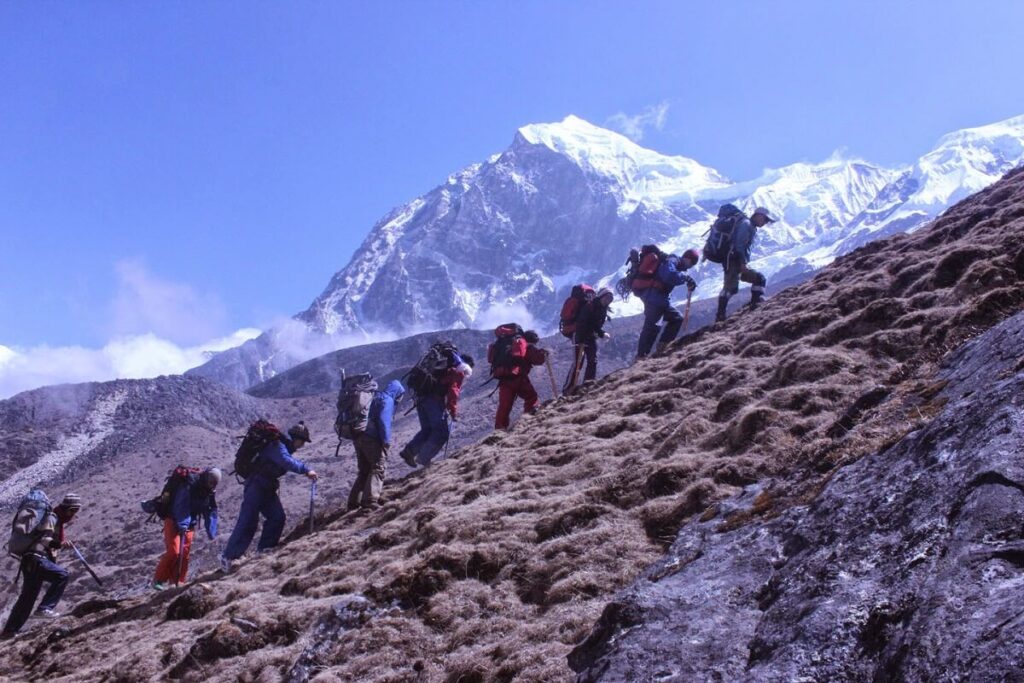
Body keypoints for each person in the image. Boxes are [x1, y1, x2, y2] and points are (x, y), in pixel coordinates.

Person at [220, 422, 318, 573]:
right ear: (296, 438)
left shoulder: (283, 447)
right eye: (303, 441)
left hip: (267, 487)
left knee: (277, 517)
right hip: (256, 485)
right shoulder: (278, 446)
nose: (303, 445)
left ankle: (264, 551)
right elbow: (286, 461)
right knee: (248, 520)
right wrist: (306, 470)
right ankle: (228, 557)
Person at [2, 493, 81, 638]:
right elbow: (45, 540)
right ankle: (45, 608)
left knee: (27, 598)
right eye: (73, 510)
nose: (73, 514)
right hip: (36, 558)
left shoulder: (54, 519)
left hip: (29, 561)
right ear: (68, 508)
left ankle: (9, 631)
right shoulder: (52, 517)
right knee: (62, 575)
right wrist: (61, 544)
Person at [400, 354, 474, 468]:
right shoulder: (458, 371)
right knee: (442, 432)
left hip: (421, 399)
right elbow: (453, 392)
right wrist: (453, 412)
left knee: (428, 429)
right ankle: (424, 458)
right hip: (433, 401)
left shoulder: (443, 366)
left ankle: (409, 451)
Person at [152, 468, 220, 589]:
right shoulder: (190, 484)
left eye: (214, 482)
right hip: (173, 519)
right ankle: (158, 580)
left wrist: (211, 531)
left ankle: (177, 583)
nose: (211, 484)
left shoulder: (208, 492)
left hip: (189, 524)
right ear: (206, 477)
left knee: (184, 555)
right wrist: (183, 523)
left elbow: (210, 511)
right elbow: (181, 505)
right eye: (211, 480)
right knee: (175, 552)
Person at [347, 380, 405, 512]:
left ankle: (353, 503)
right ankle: (370, 501)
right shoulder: (387, 399)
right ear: (397, 392)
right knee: (378, 467)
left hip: (358, 436)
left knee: (364, 470)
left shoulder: (375, 396)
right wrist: (386, 441)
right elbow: (384, 422)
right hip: (372, 438)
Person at [636, 249, 700, 359]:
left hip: (658, 298)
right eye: (692, 263)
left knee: (675, 319)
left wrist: (684, 278)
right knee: (652, 326)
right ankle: (642, 356)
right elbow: (668, 275)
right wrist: (684, 278)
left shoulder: (676, 264)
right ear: (687, 258)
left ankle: (661, 347)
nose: (691, 266)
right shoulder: (673, 260)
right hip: (654, 298)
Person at [716, 206, 773, 322]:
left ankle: (754, 306)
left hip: (735, 261)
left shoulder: (748, 225)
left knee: (758, 279)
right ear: (759, 216)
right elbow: (739, 245)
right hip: (733, 261)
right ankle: (720, 317)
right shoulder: (746, 224)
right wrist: (743, 263)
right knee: (730, 288)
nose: (765, 223)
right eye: (765, 219)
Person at [495, 330, 547, 429]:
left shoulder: (509, 346)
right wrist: (543, 354)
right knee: (531, 397)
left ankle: (499, 429)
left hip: (504, 380)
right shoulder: (526, 346)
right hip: (519, 378)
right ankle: (528, 420)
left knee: (504, 406)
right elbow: (538, 360)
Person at [570, 287, 614, 385]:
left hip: (590, 337)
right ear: (601, 296)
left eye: (610, 299)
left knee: (592, 360)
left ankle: (588, 383)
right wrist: (581, 339)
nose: (608, 301)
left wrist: (601, 333)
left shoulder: (603, 309)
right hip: (579, 336)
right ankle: (568, 389)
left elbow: (595, 326)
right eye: (606, 298)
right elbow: (581, 323)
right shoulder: (589, 306)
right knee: (578, 363)